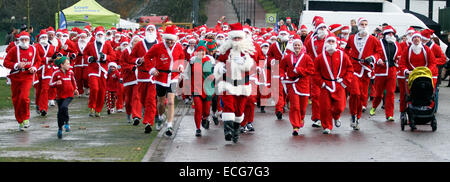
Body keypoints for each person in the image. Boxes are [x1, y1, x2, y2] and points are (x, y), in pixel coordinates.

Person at [214, 22, 257, 143]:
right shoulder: (225, 50)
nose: (236, 40)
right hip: (228, 83)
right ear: (231, 38)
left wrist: (244, 61)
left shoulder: (248, 50)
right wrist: (220, 68)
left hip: (243, 84)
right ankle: (227, 131)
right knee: (228, 106)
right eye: (234, 38)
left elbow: (252, 66)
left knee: (239, 111)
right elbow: (218, 62)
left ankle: (236, 131)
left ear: (242, 38)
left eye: (238, 38)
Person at [147, 25, 185, 136]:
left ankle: (169, 125)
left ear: (175, 39)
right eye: (168, 40)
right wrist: (152, 69)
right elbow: (146, 57)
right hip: (160, 77)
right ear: (165, 39)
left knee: (171, 101)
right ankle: (160, 116)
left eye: (172, 40)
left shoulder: (178, 47)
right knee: (161, 103)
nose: (170, 42)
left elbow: (181, 58)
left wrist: (181, 66)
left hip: (173, 76)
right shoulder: (157, 47)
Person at [345, 17, 382, 130]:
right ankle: (353, 114)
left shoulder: (373, 39)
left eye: (366, 24)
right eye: (362, 24)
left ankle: (358, 117)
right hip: (354, 68)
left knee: (363, 96)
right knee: (355, 93)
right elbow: (346, 50)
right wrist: (347, 62)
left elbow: (379, 52)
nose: (364, 26)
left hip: (366, 70)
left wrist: (372, 58)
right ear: (358, 25)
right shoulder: (352, 38)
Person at [314, 34, 354, 134]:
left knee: (340, 107)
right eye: (329, 42)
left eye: (332, 42)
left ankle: (336, 117)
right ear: (326, 43)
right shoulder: (320, 57)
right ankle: (327, 126)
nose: (331, 44)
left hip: (339, 84)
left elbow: (350, 69)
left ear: (336, 43)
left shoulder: (342, 55)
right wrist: (321, 83)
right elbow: (315, 72)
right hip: (325, 85)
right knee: (325, 107)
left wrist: (345, 82)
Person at [2, 31, 41, 131]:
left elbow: (38, 61)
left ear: (29, 40)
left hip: (27, 76)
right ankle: (20, 121)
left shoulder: (34, 49)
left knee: (24, 97)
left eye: (26, 39)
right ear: (19, 40)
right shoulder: (14, 50)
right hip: (16, 76)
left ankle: (26, 118)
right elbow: (6, 62)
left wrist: (34, 68)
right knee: (16, 99)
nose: (24, 41)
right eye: (22, 40)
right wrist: (16, 65)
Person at [398, 31, 436, 126]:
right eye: (414, 38)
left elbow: (432, 62)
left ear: (420, 39)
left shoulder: (426, 49)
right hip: (411, 76)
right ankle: (404, 112)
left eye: (418, 38)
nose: (416, 39)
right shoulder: (407, 50)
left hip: (424, 75)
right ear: (412, 39)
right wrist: (406, 71)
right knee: (407, 95)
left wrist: (428, 70)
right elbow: (402, 63)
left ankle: (427, 111)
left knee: (428, 94)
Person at [280, 38, 314, 135]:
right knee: (295, 106)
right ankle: (295, 126)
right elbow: (281, 67)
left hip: (303, 84)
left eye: (299, 45)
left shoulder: (307, 57)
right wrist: (282, 75)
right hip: (292, 83)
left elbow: (311, 70)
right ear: (292, 47)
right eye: (295, 45)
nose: (297, 47)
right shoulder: (287, 57)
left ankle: (301, 118)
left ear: (302, 46)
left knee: (303, 107)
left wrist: (299, 70)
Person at [182, 40, 215, 136]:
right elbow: (187, 73)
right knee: (198, 108)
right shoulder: (192, 61)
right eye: (200, 50)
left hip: (208, 89)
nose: (202, 52)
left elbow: (215, 74)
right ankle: (198, 129)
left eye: (203, 50)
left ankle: (205, 118)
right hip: (196, 88)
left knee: (206, 110)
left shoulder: (210, 60)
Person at [369, 26, 401, 121]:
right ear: (385, 35)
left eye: (392, 33)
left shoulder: (396, 44)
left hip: (392, 71)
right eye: (389, 33)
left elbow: (400, 55)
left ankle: (389, 115)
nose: (391, 35)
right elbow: (373, 54)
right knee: (379, 93)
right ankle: (374, 106)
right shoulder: (379, 43)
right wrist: (378, 60)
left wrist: (398, 59)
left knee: (390, 93)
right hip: (381, 71)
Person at [131, 24, 158, 133]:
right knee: (142, 99)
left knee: (150, 100)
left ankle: (148, 122)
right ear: (145, 31)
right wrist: (138, 60)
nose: (150, 31)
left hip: (154, 76)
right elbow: (131, 56)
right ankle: (150, 115)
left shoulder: (159, 44)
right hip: (142, 76)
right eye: (149, 29)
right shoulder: (139, 44)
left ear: (155, 31)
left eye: (152, 29)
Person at [83, 26, 116, 117]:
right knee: (94, 88)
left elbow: (113, 56)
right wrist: (89, 58)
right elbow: (85, 54)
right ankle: (92, 107)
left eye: (101, 34)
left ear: (103, 35)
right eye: (98, 34)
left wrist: (105, 57)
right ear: (96, 35)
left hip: (103, 69)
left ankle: (98, 109)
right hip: (93, 67)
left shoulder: (107, 45)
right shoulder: (90, 45)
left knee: (102, 90)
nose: (100, 35)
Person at [304, 18, 329, 128]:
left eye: (324, 27)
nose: (323, 29)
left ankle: (328, 116)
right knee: (315, 96)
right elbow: (307, 53)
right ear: (317, 29)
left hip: (329, 73)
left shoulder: (331, 39)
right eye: (320, 28)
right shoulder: (311, 41)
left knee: (328, 96)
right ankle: (317, 118)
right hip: (315, 72)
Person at [50, 56, 79, 139]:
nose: (69, 65)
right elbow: (50, 84)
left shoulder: (71, 72)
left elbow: (73, 81)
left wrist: (76, 89)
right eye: (67, 64)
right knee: (60, 113)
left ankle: (67, 123)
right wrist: (56, 83)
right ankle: (59, 129)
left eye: (69, 63)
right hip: (60, 96)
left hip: (69, 95)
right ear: (62, 65)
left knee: (64, 107)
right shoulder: (56, 73)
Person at [267, 25, 291, 120]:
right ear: (279, 35)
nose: (283, 35)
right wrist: (272, 60)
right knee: (278, 92)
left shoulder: (291, 45)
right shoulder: (273, 45)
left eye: (285, 33)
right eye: (282, 34)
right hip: (277, 70)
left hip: (289, 72)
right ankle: (279, 110)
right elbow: (269, 56)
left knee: (287, 92)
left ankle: (284, 104)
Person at [34, 29, 56, 116]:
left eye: (45, 37)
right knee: (38, 89)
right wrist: (48, 59)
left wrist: (56, 58)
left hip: (48, 69)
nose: (44, 38)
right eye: (42, 37)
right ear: (39, 38)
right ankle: (38, 104)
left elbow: (55, 58)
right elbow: (36, 58)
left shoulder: (52, 47)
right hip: (38, 69)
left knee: (45, 88)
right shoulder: (36, 47)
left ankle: (43, 108)